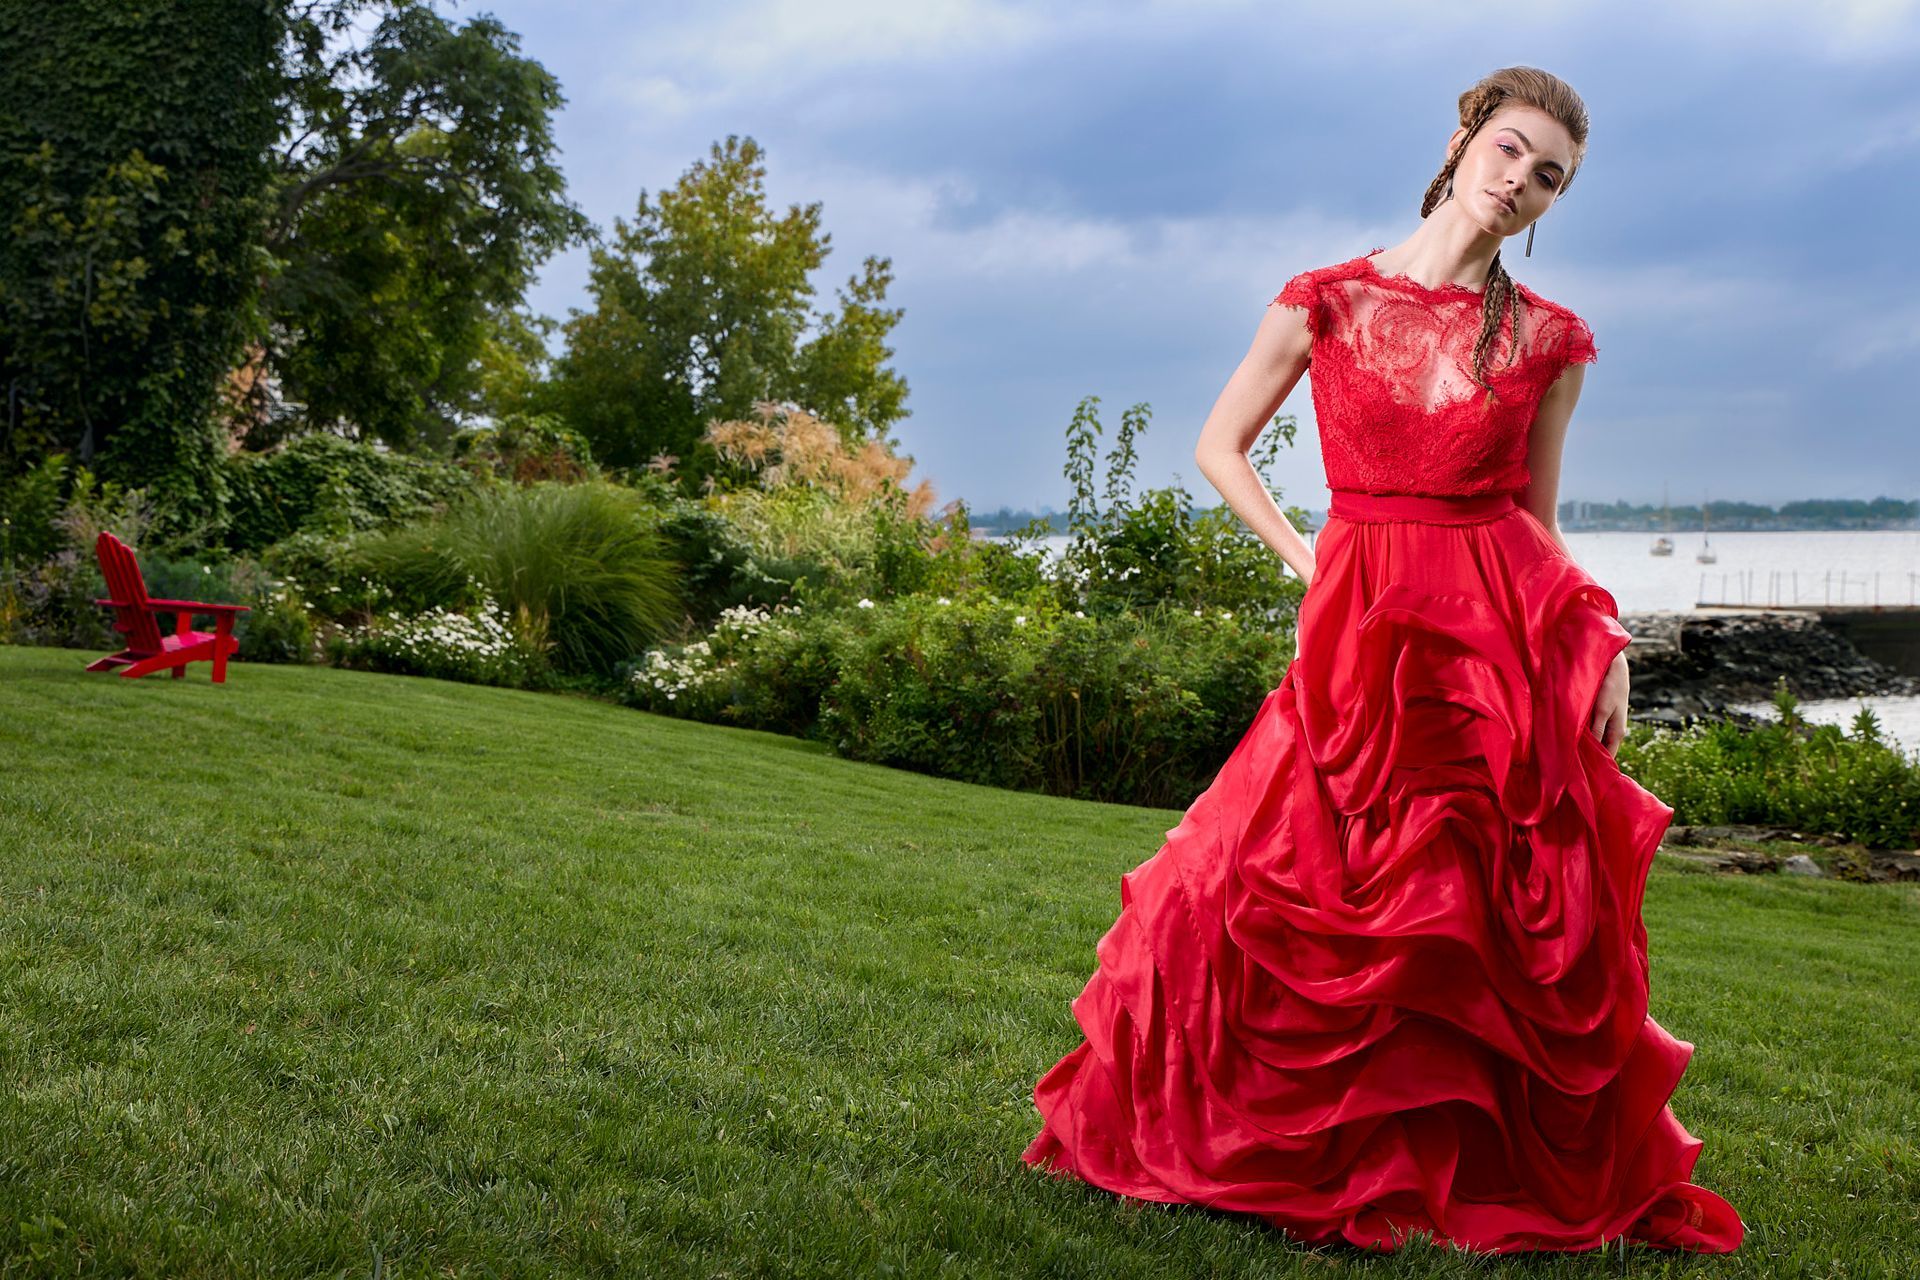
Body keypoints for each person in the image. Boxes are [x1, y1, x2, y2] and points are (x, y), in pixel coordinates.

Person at [1020, 66, 1746, 1256]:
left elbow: (1538, 515)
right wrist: (1307, 559)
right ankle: (1271, 1133)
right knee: (1276, 869)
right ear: (1465, 136)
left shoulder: (1549, 339)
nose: (1521, 183)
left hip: (1488, 636)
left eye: (1550, 177)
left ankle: (1440, 1156)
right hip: (1359, 612)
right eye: (1510, 150)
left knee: (1465, 908)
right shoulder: (1328, 297)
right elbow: (1220, 443)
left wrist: (1601, 638)